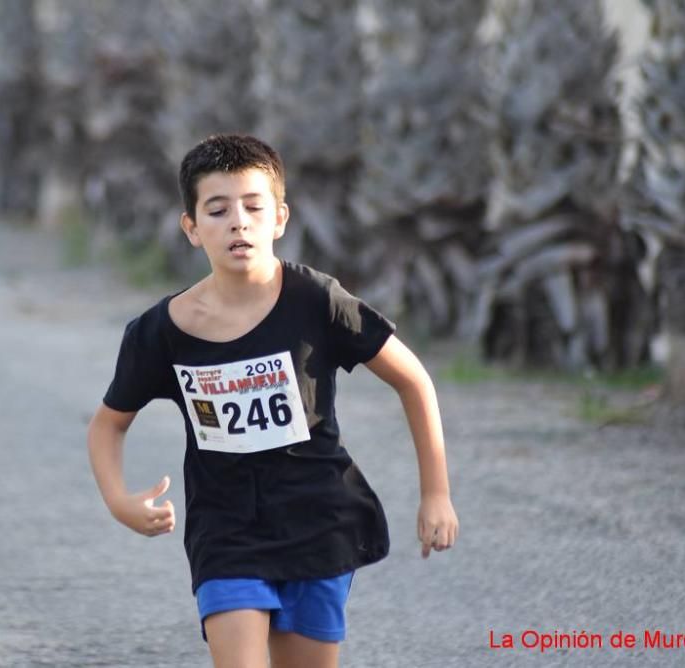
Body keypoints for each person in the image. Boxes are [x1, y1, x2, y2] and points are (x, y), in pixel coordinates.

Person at [87, 134, 459, 667]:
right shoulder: (161, 332)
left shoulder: (317, 300)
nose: (238, 222)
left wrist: (436, 494)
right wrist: (119, 500)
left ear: (279, 218)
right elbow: (107, 424)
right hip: (226, 533)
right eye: (217, 210)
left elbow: (414, 380)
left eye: (253, 206)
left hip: (319, 523)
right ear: (191, 227)